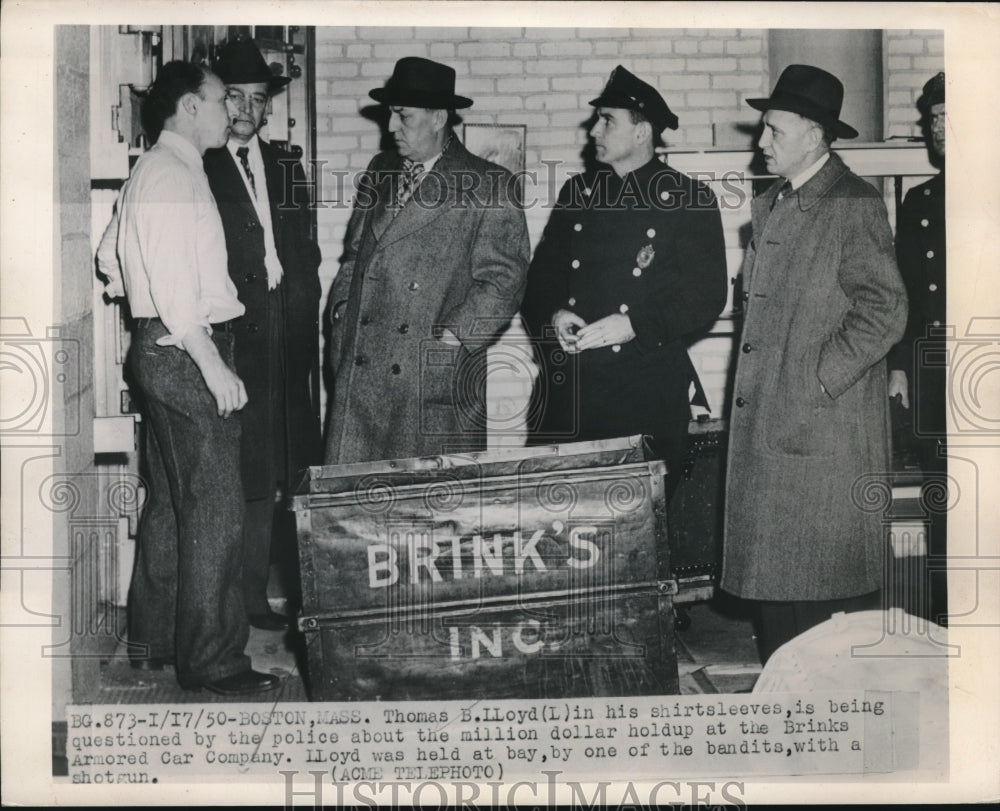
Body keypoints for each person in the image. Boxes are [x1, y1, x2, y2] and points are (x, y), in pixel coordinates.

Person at [97, 61, 278, 694]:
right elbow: (177, 289)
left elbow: (108, 258)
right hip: (184, 347)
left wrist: (139, 299)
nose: (230, 109)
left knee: (174, 504)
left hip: (160, 343)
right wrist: (211, 364)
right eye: (218, 99)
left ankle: (153, 640)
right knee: (217, 510)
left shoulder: (154, 170)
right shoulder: (174, 174)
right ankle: (214, 661)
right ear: (189, 107)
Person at [721, 64, 908, 663]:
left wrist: (815, 380)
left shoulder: (851, 204)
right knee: (779, 587)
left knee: (819, 595)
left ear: (814, 133)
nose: (761, 141)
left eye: (773, 130)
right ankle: (787, 713)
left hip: (818, 431)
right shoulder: (776, 202)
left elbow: (885, 309)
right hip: (777, 427)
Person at [521, 65, 727, 498]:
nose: (594, 130)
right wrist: (555, 313)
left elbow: (706, 295)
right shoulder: (578, 193)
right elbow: (540, 277)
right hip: (569, 394)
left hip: (644, 397)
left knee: (640, 539)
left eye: (607, 120)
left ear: (641, 132)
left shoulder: (688, 198)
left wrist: (634, 324)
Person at [323, 57, 529, 464]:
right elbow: (353, 258)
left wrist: (452, 340)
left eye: (403, 116)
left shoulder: (488, 184)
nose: (390, 128)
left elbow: (505, 281)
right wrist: (343, 316)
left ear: (438, 118)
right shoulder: (379, 171)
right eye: (390, 115)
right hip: (361, 377)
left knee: (428, 519)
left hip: (430, 383)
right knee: (353, 518)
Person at [203, 39, 322, 631]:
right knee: (247, 473)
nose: (247, 110)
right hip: (235, 341)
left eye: (257, 100)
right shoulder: (199, 165)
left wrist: (304, 314)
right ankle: (244, 597)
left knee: (290, 465)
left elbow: (306, 251)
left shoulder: (285, 164)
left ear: (269, 108)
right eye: (235, 98)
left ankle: (303, 593)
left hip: (287, 337)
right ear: (217, 102)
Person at [887, 71, 947, 624]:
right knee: (943, 502)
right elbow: (904, 292)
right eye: (934, 120)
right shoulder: (921, 201)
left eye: (951, 118)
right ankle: (948, 627)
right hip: (933, 377)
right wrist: (899, 366)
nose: (940, 129)